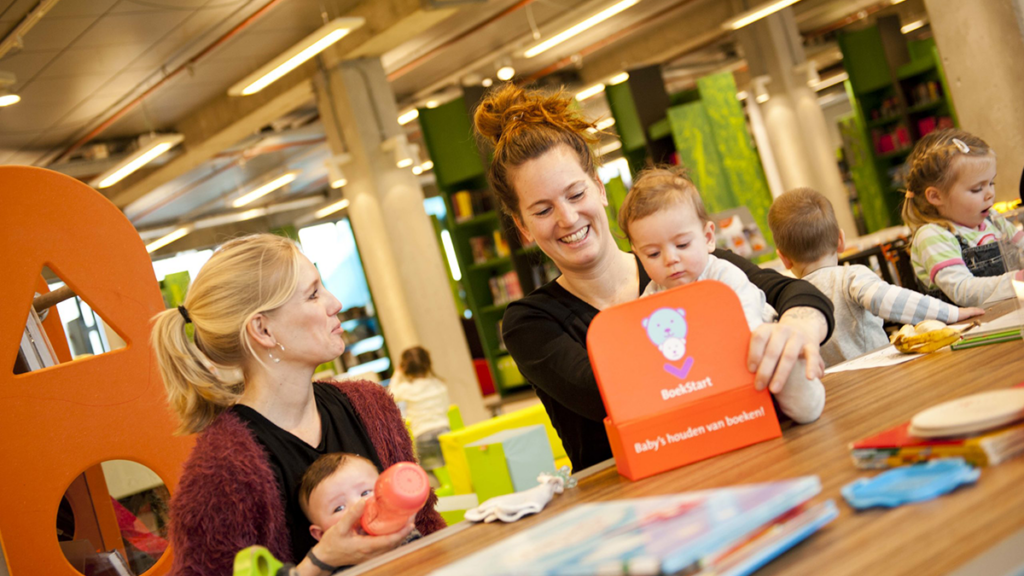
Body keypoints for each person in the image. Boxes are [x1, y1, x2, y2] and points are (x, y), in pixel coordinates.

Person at [472, 84, 836, 470]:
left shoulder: (686, 263)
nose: (568, 218)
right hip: (640, 497)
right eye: (543, 210)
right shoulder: (530, 324)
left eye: (576, 195)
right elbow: (611, 395)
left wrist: (797, 328)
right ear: (522, 227)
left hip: (754, 459)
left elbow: (796, 294)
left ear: (600, 189)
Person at [150, 234, 445, 576]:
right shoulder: (220, 470)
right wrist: (320, 562)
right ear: (263, 330)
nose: (335, 303)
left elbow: (425, 524)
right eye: (313, 294)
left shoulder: (372, 406)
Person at [619, 167, 824, 423]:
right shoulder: (650, 300)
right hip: (709, 380)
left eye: (682, 245)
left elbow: (747, 324)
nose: (670, 259)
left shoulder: (723, 274)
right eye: (653, 254)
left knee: (801, 402)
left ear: (707, 237)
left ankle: (802, 389)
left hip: (757, 357)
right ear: (638, 254)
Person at [769, 187, 985, 367]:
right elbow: (893, 300)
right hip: (878, 371)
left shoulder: (788, 298)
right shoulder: (850, 277)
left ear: (784, 259)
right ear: (841, 241)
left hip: (831, 389)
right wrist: (952, 313)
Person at [903, 129, 1024, 306]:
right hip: (972, 322)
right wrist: (1016, 280)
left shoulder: (994, 220)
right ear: (936, 196)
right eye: (977, 189)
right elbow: (963, 291)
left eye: (991, 183)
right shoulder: (932, 236)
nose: (990, 194)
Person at [298, 453, 421, 546]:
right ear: (321, 534)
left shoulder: (405, 533)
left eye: (365, 493)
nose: (359, 506)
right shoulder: (334, 566)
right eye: (339, 508)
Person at [389, 347, 450, 471]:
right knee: (451, 469)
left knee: (429, 473)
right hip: (445, 431)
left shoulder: (406, 389)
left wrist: (397, 373)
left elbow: (390, 393)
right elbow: (446, 407)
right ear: (428, 364)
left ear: (405, 368)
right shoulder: (438, 384)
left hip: (423, 434)